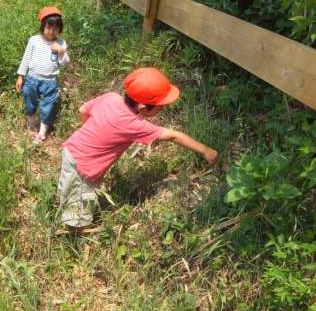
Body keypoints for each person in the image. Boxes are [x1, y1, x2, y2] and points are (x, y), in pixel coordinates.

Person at [58, 67, 218, 229]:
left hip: (72, 149)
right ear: (142, 107)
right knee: (78, 210)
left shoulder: (111, 97)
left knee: (70, 187)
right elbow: (173, 136)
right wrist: (206, 151)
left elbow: (83, 110)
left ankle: (66, 203)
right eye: (160, 107)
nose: (162, 109)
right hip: (83, 168)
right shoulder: (134, 124)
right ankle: (76, 232)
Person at [16, 6, 70, 144]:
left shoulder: (60, 43)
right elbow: (26, 58)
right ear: (42, 26)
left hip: (50, 81)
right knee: (29, 101)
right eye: (48, 27)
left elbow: (65, 63)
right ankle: (31, 123)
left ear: (60, 29)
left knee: (49, 105)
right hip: (32, 79)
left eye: (55, 28)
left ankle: (42, 132)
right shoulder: (34, 40)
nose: (51, 31)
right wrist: (21, 76)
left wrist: (61, 52)